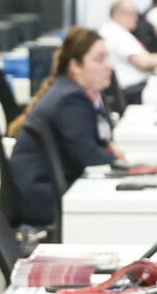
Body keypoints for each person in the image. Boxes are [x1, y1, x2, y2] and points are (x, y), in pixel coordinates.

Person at [9, 26, 124, 226]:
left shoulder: (84, 93)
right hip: (43, 199)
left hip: (51, 190)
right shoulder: (71, 99)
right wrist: (114, 155)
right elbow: (90, 157)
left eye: (107, 58)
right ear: (75, 66)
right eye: (99, 59)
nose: (109, 66)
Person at [100, 0, 157, 109]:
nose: (136, 17)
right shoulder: (113, 32)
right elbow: (143, 61)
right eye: (132, 13)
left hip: (140, 87)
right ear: (117, 14)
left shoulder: (118, 31)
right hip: (133, 92)